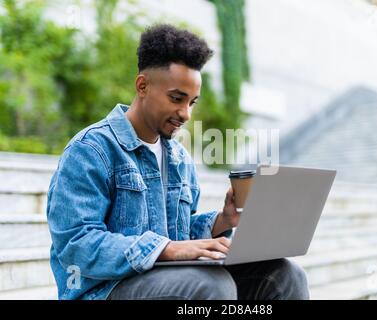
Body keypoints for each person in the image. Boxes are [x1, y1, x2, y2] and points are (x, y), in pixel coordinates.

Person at [47, 24, 309, 300]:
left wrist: (222, 221)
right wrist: (166, 249)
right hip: (104, 291)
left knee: (284, 276)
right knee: (210, 285)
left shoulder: (179, 158)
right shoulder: (91, 149)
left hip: (169, 280)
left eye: (193, 103)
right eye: (176, 99)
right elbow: (77, 244)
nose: (185, 114)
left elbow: (179, 235)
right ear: (142, 86)